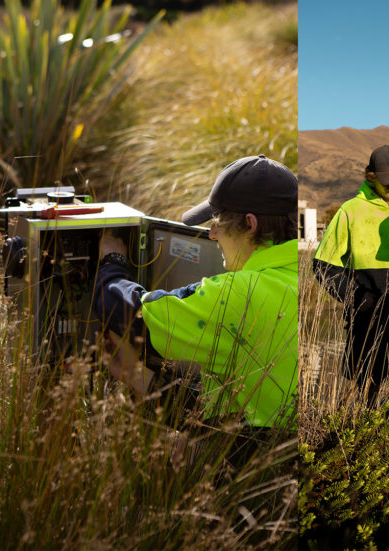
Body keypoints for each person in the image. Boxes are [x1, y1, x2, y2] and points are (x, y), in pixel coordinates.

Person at [92, 154, 299, 443]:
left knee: (154, 448)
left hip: (252, 465)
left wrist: (111, 261)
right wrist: (137, 375)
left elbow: (130, 313)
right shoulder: (311, 278)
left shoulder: (236, 294)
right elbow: (226, 411)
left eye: (219, 222)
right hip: (287, 455)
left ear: (250, 224)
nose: (212, 234)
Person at [312, 145, 389, 446]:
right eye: (387, 179)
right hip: (366, 320)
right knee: (367, 394)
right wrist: (355, 297)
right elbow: (323, 264)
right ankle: (362, 455)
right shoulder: (350, 212)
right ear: (371, 175)